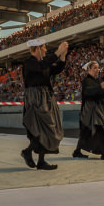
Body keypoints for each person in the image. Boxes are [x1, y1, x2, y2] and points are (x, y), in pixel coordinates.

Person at [20, 39, 68, 170]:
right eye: (44, 48)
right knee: (39, 128)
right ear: (37, 49)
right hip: (35, 99)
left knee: (48, 129)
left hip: (46, 97)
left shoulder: (43, 63)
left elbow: (56, 69)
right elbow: (42, 66)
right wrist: (57, 52)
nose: (46, 50)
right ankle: (30, 153)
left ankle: (37, 158)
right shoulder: (29, 62)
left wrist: (62, 56)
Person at [73, 61, 104, 160]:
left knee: (86, 132)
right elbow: (88, 92)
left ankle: (77, 151)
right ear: (89, 69)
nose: (97, 70)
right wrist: (101, 86)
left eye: (98, 68)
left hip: (98, 109)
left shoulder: (98, 80)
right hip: (90, 111)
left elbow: (103, 94)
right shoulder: (86, 81)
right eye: (95, 68)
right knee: (100, 130)